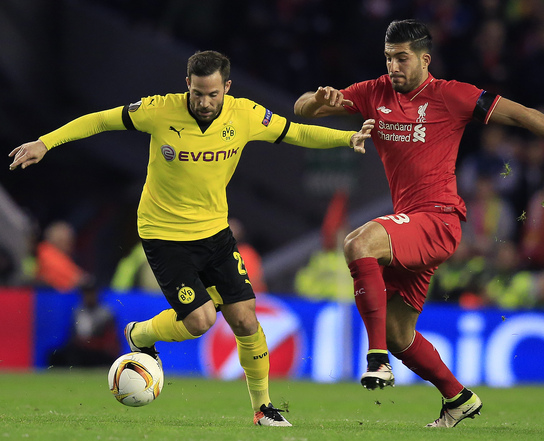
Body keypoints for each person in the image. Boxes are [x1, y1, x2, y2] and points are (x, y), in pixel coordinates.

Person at [9, 50, 373, 427]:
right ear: (187, 85)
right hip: (163, 233)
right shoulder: (159, 110)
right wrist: (45, 142)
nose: (204, 102)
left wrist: (346, 139)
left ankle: (263, 409)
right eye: (197, 93)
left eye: (212, 94)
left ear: (226, 88)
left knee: (246, 318)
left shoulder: (245, 115)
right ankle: (142, 333)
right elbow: (101, 121)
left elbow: (295, 131)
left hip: (214, 231)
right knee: (199, 321)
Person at [294, 19, 544, 428]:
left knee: (358, 242)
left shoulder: (451, 96)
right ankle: (458, 398)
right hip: (407, 228)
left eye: (401, 58)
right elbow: (304, 107)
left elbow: (523, 117)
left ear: (424, 59)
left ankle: (376, 361)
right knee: (401, 334)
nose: (393, 67)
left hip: (438, 220)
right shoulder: (373, 91)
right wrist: (317, 100)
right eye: (388, 58)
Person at [49, 284, 120, 367]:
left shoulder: (106, 313)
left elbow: (111, 340)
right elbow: (72, 335)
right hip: (80, 349)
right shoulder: (78, 311)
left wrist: (90, 343)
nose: (88, 297)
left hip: (99, 350)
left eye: (91, 293)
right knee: (55, 356)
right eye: (86, 294)